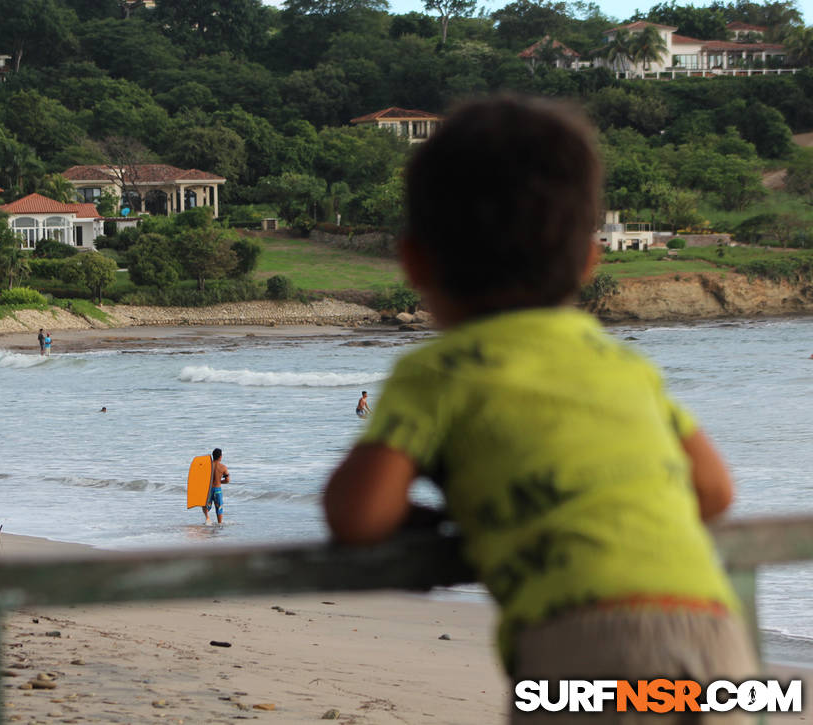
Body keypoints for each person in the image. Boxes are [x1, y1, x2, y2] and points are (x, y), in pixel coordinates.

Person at [322, 95, 756, 716]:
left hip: (582, 643)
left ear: (413, 261)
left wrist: (447, 517)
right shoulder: (621, 363)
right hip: (714, 631)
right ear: (589, 260)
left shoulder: (438, 371)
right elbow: (713, 492)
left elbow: (358, 516)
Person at [203, 448, 229, 525]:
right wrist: (219, 481)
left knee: (205, 505)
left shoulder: (207, 466)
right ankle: (220, 524)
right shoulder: (223, 467)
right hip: (218, 490)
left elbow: (201, 479)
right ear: (220, 457)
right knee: (219, 508)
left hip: (209, 490)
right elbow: (227, 480)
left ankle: (207, 518)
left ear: (213, 456)